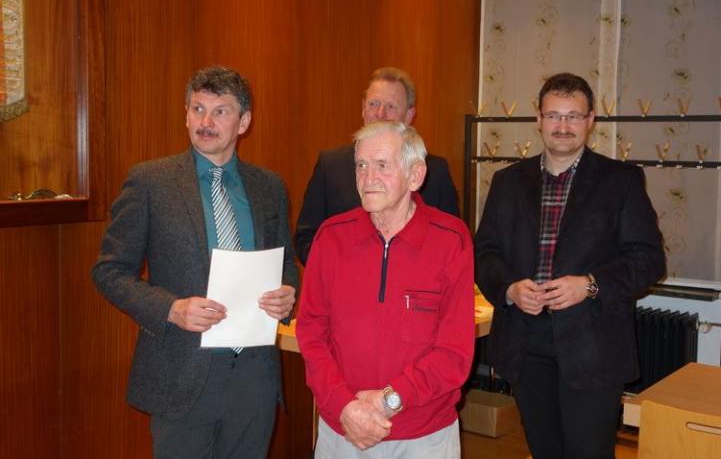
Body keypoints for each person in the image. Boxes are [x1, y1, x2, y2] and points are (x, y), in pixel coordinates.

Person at [92, 66, 298, 459]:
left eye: (220, 111)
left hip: (254, 377)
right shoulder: (151, 182)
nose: (206, 122)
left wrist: (287, 293)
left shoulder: (269, 186)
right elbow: (108, 271)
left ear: (244, 122)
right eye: (197, 109)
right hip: (182, 374)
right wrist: (171, 309)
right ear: (185, 115)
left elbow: (286, 262)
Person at [474, 72, 666, 459]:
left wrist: (589, 284)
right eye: (554, 115)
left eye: (574, 116)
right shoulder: (507, 182)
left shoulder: (621, 181)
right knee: (544, 450)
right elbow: (484, 253)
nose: (563, 126)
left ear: (590, 120)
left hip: (592, 347)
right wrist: (509, 289)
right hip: (526, 344)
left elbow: (648, 260)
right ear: (539, 119)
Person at [296, 121, 474, 458]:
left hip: (424, 436)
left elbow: (454, 352)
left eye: (382, 165)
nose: (368, 178)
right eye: (361, 165)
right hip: (343, 429)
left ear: (415, 175)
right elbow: (311, 333)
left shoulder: (451, 240)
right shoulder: (331, 237)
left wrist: (388, 400)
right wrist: (345, 405)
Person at [294, 67, 459, 265]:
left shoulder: (434, 171)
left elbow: (449, 242)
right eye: (373, 104)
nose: (380, 114)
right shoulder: (330, 166)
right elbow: (306, 238)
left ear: (409, 115)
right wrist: (341, 268)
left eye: (391, 106)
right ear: (363, 108)